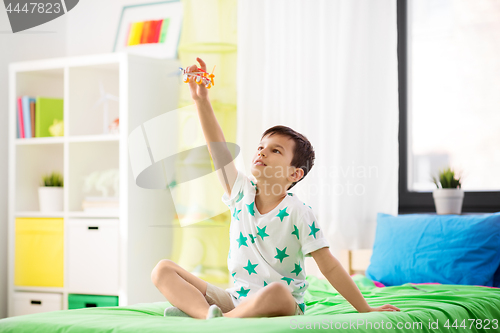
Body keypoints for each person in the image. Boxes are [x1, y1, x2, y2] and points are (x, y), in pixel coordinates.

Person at [151, 57, 401, 320]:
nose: (262, 152)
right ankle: (208, 318)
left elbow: (330, 267)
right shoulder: (240, 193)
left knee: (280, 292)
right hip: (234, 300)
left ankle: (213, 320)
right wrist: (201, 100)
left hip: (279, 302)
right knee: (163, 270)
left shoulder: (299, 212)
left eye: (275, 150)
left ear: (295, 173)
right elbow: (218, 149)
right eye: (260, 147)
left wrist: (366, 308)